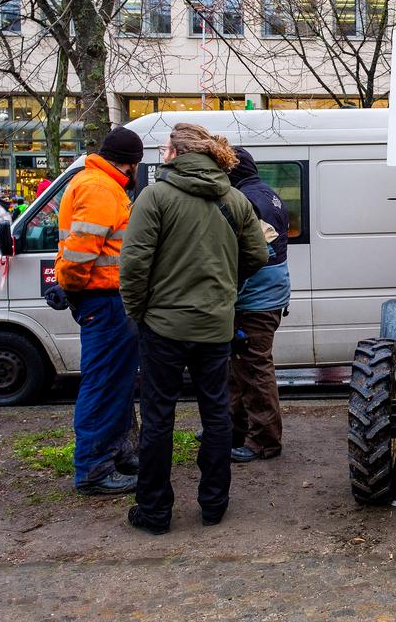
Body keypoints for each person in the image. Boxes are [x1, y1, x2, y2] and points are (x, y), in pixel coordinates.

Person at [121, 123, 267, 534]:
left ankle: (154, 511)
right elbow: (258, 255)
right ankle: (213, 505)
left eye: (165, 147)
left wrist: (138, 312)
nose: (162, 153)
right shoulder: (234, 199)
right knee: (217, 414)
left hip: (163, 326)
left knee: (158, 418)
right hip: (215, 326)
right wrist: (226, 287)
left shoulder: (154, 197)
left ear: (177, 152)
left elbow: (133, 265)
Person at [56, 128, 145, 496]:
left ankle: (116, 453)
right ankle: (94, 469)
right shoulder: (100, 188)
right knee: (105, 385)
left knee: (115, 384)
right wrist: (74, 288)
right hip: (104, 299)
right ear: (131, 163)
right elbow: (80, 254)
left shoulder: (97, 183)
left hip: (104, 299)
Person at [227, 147, 291, 463]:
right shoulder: (267, 193)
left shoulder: (246, 200)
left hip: (255, 298)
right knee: (241, 368)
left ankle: (264, 441)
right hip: (269, 294)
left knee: (254, 369)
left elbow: (249, 255)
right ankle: (234, 430)